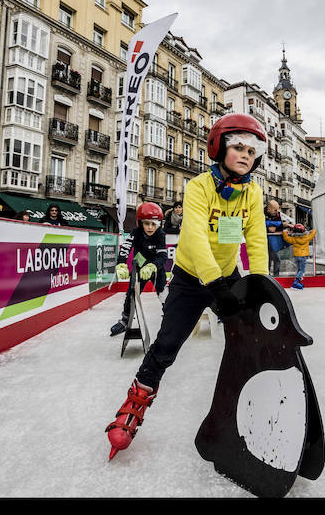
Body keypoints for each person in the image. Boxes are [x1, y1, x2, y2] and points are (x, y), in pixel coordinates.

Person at [105, 112, 269, 459]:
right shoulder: (198, 187)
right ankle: (133, 406)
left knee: (252, 338)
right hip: (192, 279)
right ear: (219, 148)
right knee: (166, 344)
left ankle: (256, 404)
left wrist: (260, 283)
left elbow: (255, 238)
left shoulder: (253, 192)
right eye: (238, 147)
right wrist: (216, 285)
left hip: (228, 276)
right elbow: (194, 237)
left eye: (251, 152)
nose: (245, 156)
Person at [109, 202, 169, 336]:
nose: (150, 227)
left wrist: (153, 266)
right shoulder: (135, 233)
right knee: (131, 295)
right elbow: (125, 248)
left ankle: (170, 320)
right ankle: (124, 321)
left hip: (156, 270)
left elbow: (163, 255)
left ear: (159, 224)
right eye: (147, 223)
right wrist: (121, 263)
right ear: (140, 222)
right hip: (139, 270)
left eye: (154, 224)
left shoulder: (160, 234)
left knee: (164, 295)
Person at [282, 223, 317, 289]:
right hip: (303, 256)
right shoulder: (307, 238)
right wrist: (309, 231)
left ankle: (298, 282)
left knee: (299, 269)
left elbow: (286, 238)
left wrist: (285, 232)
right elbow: (314, 232)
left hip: (297, 256)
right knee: (302, 270)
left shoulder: (294, 239)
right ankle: (296, 282)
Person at [264, 199, 287, 276]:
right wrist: (278, 224)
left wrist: (272, 224)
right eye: (275, 210)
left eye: (277, 210)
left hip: (275, 241)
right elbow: (261, 224)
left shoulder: (277, 214)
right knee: (267, 260)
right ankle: (267, 276)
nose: (277, 212)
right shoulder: (261, 213)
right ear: (269, 209)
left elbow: (277, 227)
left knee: (277, 259)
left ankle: (276, 276)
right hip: (265, 241)